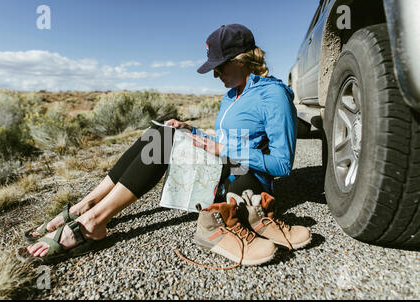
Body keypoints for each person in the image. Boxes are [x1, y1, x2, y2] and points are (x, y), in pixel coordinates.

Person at [18, 24, 301, 264]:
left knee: (164, 141)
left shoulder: (273, 95)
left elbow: (282, 164)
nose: (216, 75)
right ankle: (88, 205)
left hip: (244, 180)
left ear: (240, 60)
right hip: (221, 168)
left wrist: (224, 150)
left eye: (219, 67)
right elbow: (229, 140)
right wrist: (190, 130)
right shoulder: (232, 95)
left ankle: (92, 224)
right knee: (160, 134)